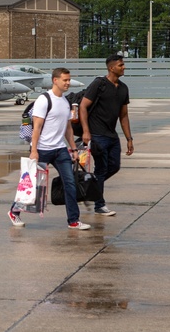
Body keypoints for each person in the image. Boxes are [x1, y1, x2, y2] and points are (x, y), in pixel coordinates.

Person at [8, 68, 89, 230]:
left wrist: (73, 149)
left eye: (69, 80)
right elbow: (36, 127)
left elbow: (67, 128)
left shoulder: (65, 102)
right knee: (33, 185)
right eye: (65, 80)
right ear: (55, 80)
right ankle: (14, 211)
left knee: (70, 183)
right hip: (42, 149)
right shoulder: (44, 100)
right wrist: (34, 151)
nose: (68, 83)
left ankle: (73, 220)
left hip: (60, 150)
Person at [79, 54, 133, 216]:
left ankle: (89, 187)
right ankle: (99, 205)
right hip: (97, 134)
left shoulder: (123, 88)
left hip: (112, 135)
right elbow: (83, 106)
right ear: (111, 68)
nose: (124, 67)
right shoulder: (99, 84)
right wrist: (86, 131)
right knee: (101, 169)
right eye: (121, 65)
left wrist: (129, 139)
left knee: (114, 166)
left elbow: (123, 116)